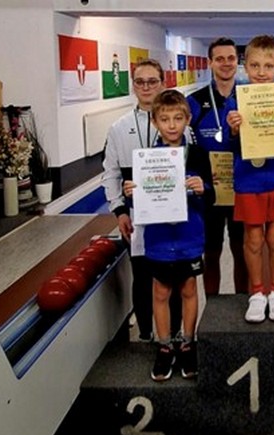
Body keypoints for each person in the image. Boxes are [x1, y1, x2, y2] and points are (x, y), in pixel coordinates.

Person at [124, 90, 215, 381]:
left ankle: (187, 342)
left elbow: (211, 196)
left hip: (189, 235)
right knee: (160, 293)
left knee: (188, 290)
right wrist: (130, 194)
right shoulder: (146, 158)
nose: (172, 125)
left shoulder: (198, 154)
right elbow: (138, 201)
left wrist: (203, 188)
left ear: (187, 119)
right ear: (155, 122)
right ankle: (164, 347)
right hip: (159, 238)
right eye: (165, 119)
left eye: (178, 118)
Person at [101, 59, 181, 342]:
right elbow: (110, 174)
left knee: (174, 275)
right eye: (140, 82)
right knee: (143, 275)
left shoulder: (179, 125)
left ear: (163, 83)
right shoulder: (119, 128)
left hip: (173, 216)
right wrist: (120, 211)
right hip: (137, 218)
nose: (146, 87)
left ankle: (175, 333)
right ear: (133, 86)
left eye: (152, 81)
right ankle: (146, 334)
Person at [226, 35, 274, 323]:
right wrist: (233, 130)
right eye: (255, 65)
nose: (261, 72)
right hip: (249, 180)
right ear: (245, 67)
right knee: (254, 238)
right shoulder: (236, 102)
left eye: (268, 66)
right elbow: (228, 143)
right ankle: (257, 293)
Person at [187, 37, 248, 296]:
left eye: (231, 58)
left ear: (238, 62)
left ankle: (242, 302)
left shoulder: (249, 98)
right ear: (210, 62)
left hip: (241, 185)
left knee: (241, 250)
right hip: (208, 188)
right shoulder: (194, 101)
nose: (226, 63)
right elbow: (185, 147)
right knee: (211, 252)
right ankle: (213, 306)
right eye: (219, 59)